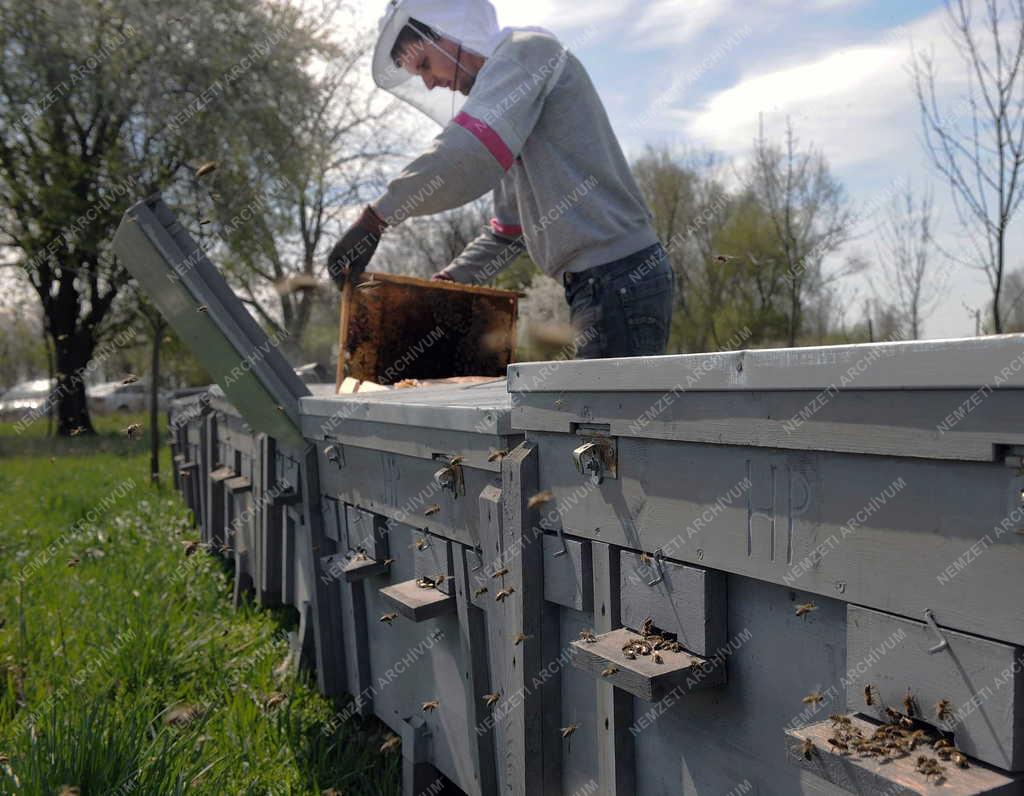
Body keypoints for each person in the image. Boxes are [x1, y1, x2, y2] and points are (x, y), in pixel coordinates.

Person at [328, 0, 674, 359]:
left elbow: (464, 151)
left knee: (605, 414)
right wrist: (447, 283)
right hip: (598, 284)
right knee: (595, 413)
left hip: (620, 278)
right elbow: (508, 232)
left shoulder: (527, 54)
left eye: (425, 65)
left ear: (450, 31)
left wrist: (375, 218)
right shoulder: (510, 106)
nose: (430, 84)